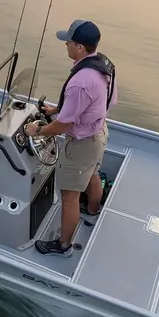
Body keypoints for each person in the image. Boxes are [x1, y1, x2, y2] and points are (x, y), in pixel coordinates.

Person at [23, 19, 118, 257]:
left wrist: (38, 130)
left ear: (80, 47)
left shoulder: (80, 82)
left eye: (69, 42)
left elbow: (61, 127)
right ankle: (93, 210)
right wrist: (56, 111)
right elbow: (105, 102)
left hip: (82, 145)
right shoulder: (104, 66)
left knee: (69, 196)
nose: (65, 45)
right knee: (92, 174)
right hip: (99, 133)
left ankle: (63, 245)